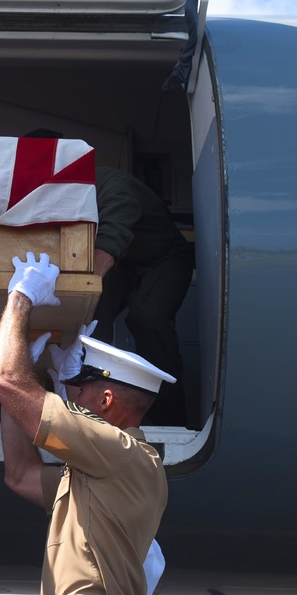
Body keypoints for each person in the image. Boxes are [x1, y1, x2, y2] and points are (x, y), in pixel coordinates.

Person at [0, 252, 176, 595]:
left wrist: (21, 297)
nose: (69, 393)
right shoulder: (110, 467)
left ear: (108, 401)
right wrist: (25, 394)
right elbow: (20, 474)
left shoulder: (115, 450)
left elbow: (2, 378)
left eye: (81, 387)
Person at [91, 166, 195, 427]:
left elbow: (111, 240)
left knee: (148, 319)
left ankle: (169, 420)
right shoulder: (59, 192)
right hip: (126, 263)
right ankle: (89, 407)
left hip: (165, 257)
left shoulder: (114, 187)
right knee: (90, 324)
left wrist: (78, 290)